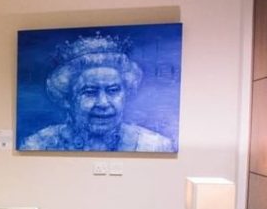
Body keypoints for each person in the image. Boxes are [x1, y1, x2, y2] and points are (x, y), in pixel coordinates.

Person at [20, 33, 175, 152]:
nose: (103, 103)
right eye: (90, 92)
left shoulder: (155, 146)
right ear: (67, 98)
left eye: (113, 90)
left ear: (126, 93)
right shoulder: (38, 144)